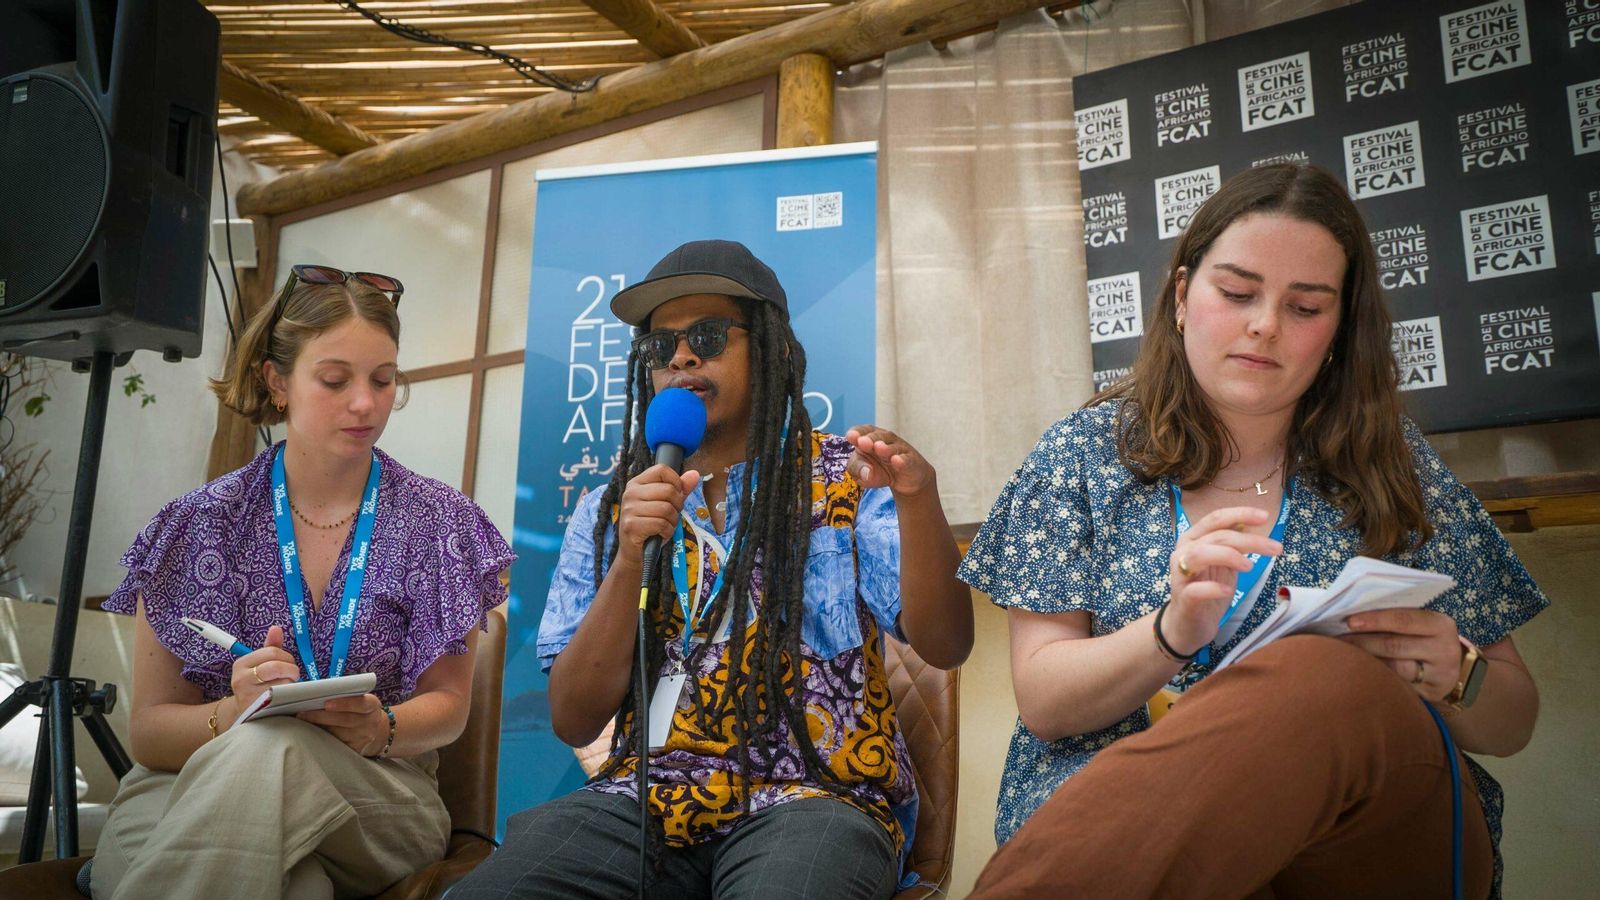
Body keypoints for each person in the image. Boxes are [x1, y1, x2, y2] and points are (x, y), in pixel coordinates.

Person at [959, 164, 1546, 899]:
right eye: (1236, 293)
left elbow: (1513, 721)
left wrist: (1455, 674)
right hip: (1123, 836)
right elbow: (1046, 703)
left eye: (1304, 308)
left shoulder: (1393, 463)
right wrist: (1171, 631)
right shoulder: (1081, 456)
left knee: (1327, 677)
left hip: (1366, 840)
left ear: (1339, 332)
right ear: (1180, 297)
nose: (1264, 324)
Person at [452, 239, 974, 899]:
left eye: (706, 335)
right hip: (646, 797)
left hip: (816, 796)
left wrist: (916, 498)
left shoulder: (849, 475)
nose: (681, 356)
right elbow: (575, 720)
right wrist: (630, 557)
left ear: (773, 349)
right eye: (658, 347)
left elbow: (947, 643)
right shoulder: (611, 508)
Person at [90, 265, 515, 899]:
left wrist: (383, 728)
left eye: (383, 380)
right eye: (335, 380)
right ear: (277, 381)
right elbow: (151, 733)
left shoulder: (440, 522)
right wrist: (236, 713)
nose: (366, 403)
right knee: (296, 882)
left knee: (276, 751)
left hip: (378, 795)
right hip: (184, 786)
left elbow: (450, 707)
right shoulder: (196, 523)